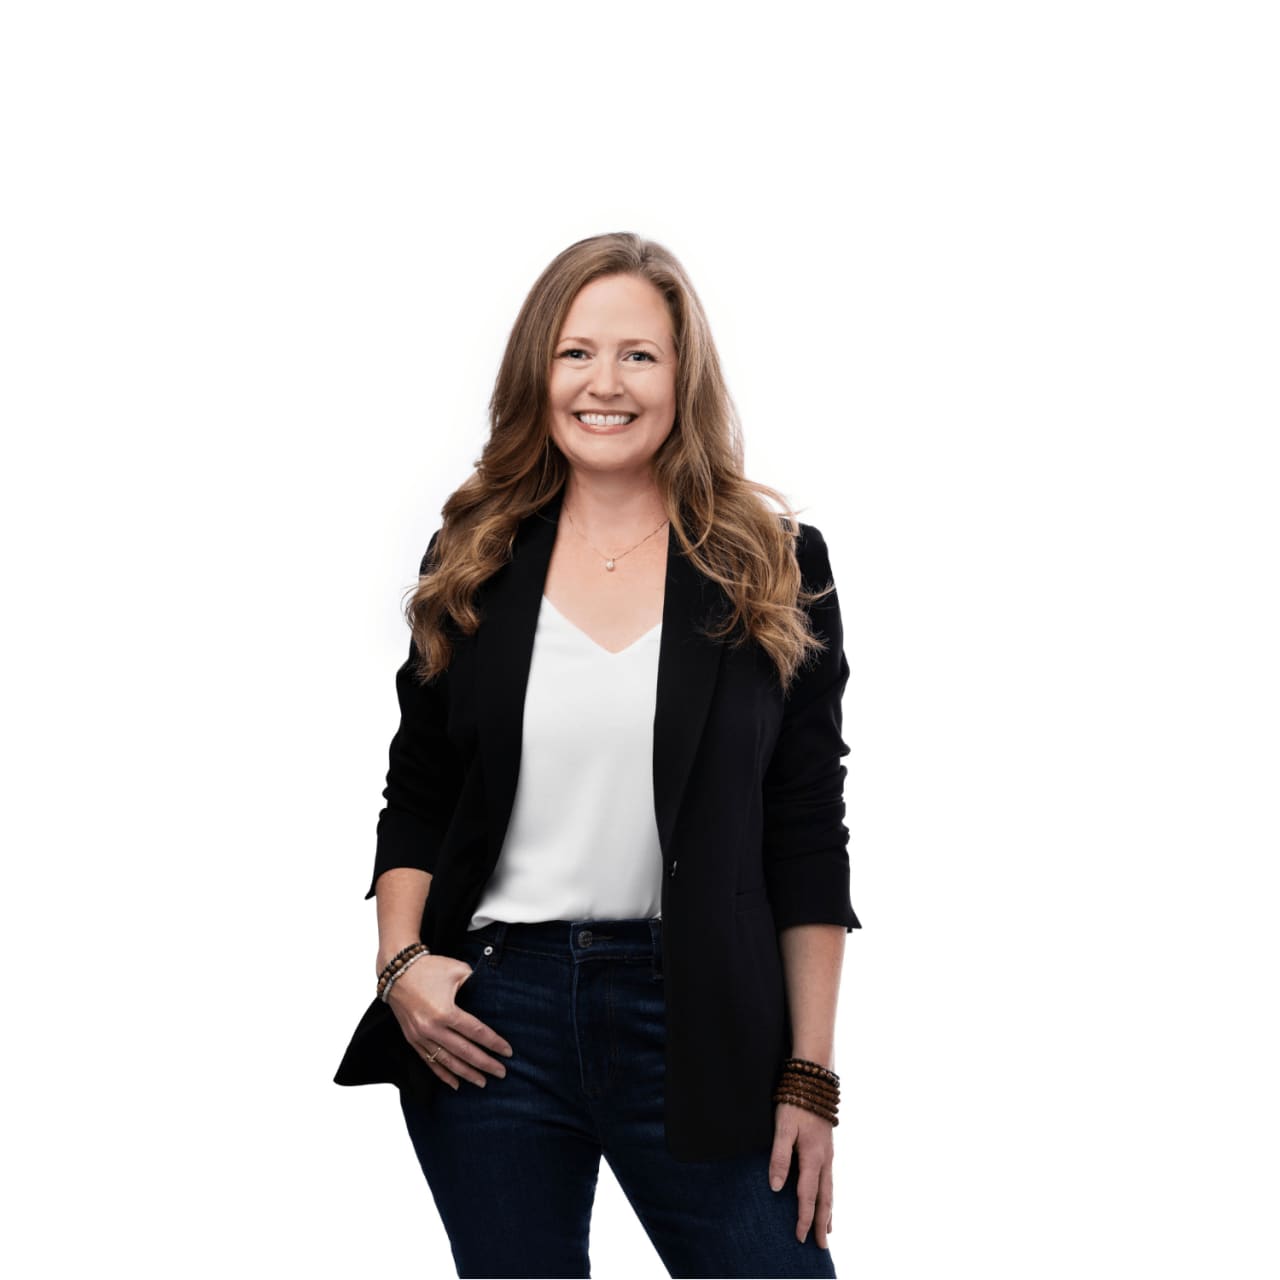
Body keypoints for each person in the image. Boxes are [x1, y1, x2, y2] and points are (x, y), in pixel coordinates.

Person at [333, 231, 861, 1278]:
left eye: (638, 354)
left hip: (700, 1009)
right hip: (493, 1021)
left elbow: (807, 831)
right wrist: (400, 967)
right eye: (575, 352)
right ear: (539, 371)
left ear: (681, 377)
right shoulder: (477, 554)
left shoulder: (771, 563)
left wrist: (808, 1077)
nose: (603, 383)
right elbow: (420, 788)